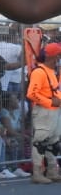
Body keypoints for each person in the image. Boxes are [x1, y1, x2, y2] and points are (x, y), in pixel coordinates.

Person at [26, 44, 61, 183]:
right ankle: (37, 173)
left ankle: (52, 171)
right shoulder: (39, 72)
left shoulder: (52, 71)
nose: (59, 58)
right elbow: (32, 94)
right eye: (58, 55)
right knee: (40, 142)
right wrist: (50, 102)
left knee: (54, 142)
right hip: (44, 112)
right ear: (52, 56)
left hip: (53, 112)